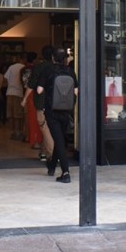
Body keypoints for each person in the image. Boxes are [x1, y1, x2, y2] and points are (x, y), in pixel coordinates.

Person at [38, 47, 77, 183]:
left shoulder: (48, 70)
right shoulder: (70, 71)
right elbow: (76, 92)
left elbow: (39, 90)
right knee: (60, 139)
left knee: (59, 141)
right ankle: (52, 166)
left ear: (53, 58)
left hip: (52, 111)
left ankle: (65, 172)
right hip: (66, 111)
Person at [29, 45, 57, 162]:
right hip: (56, 102)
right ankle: (44, 152)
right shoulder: (57, 68)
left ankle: (53, 153)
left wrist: (25, 98)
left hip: (42, 101)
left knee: (44, 127)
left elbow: (32, 84)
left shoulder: (39, 67)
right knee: (51, 127)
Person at [4, 54, 26, 140]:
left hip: (10, 92)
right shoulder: (24, 67)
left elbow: (5, 78)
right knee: (18, 114)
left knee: (11, 114)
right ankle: (18, 132)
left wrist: (10, 83)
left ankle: (12, 132)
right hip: (19, 92)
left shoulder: (11, 67)